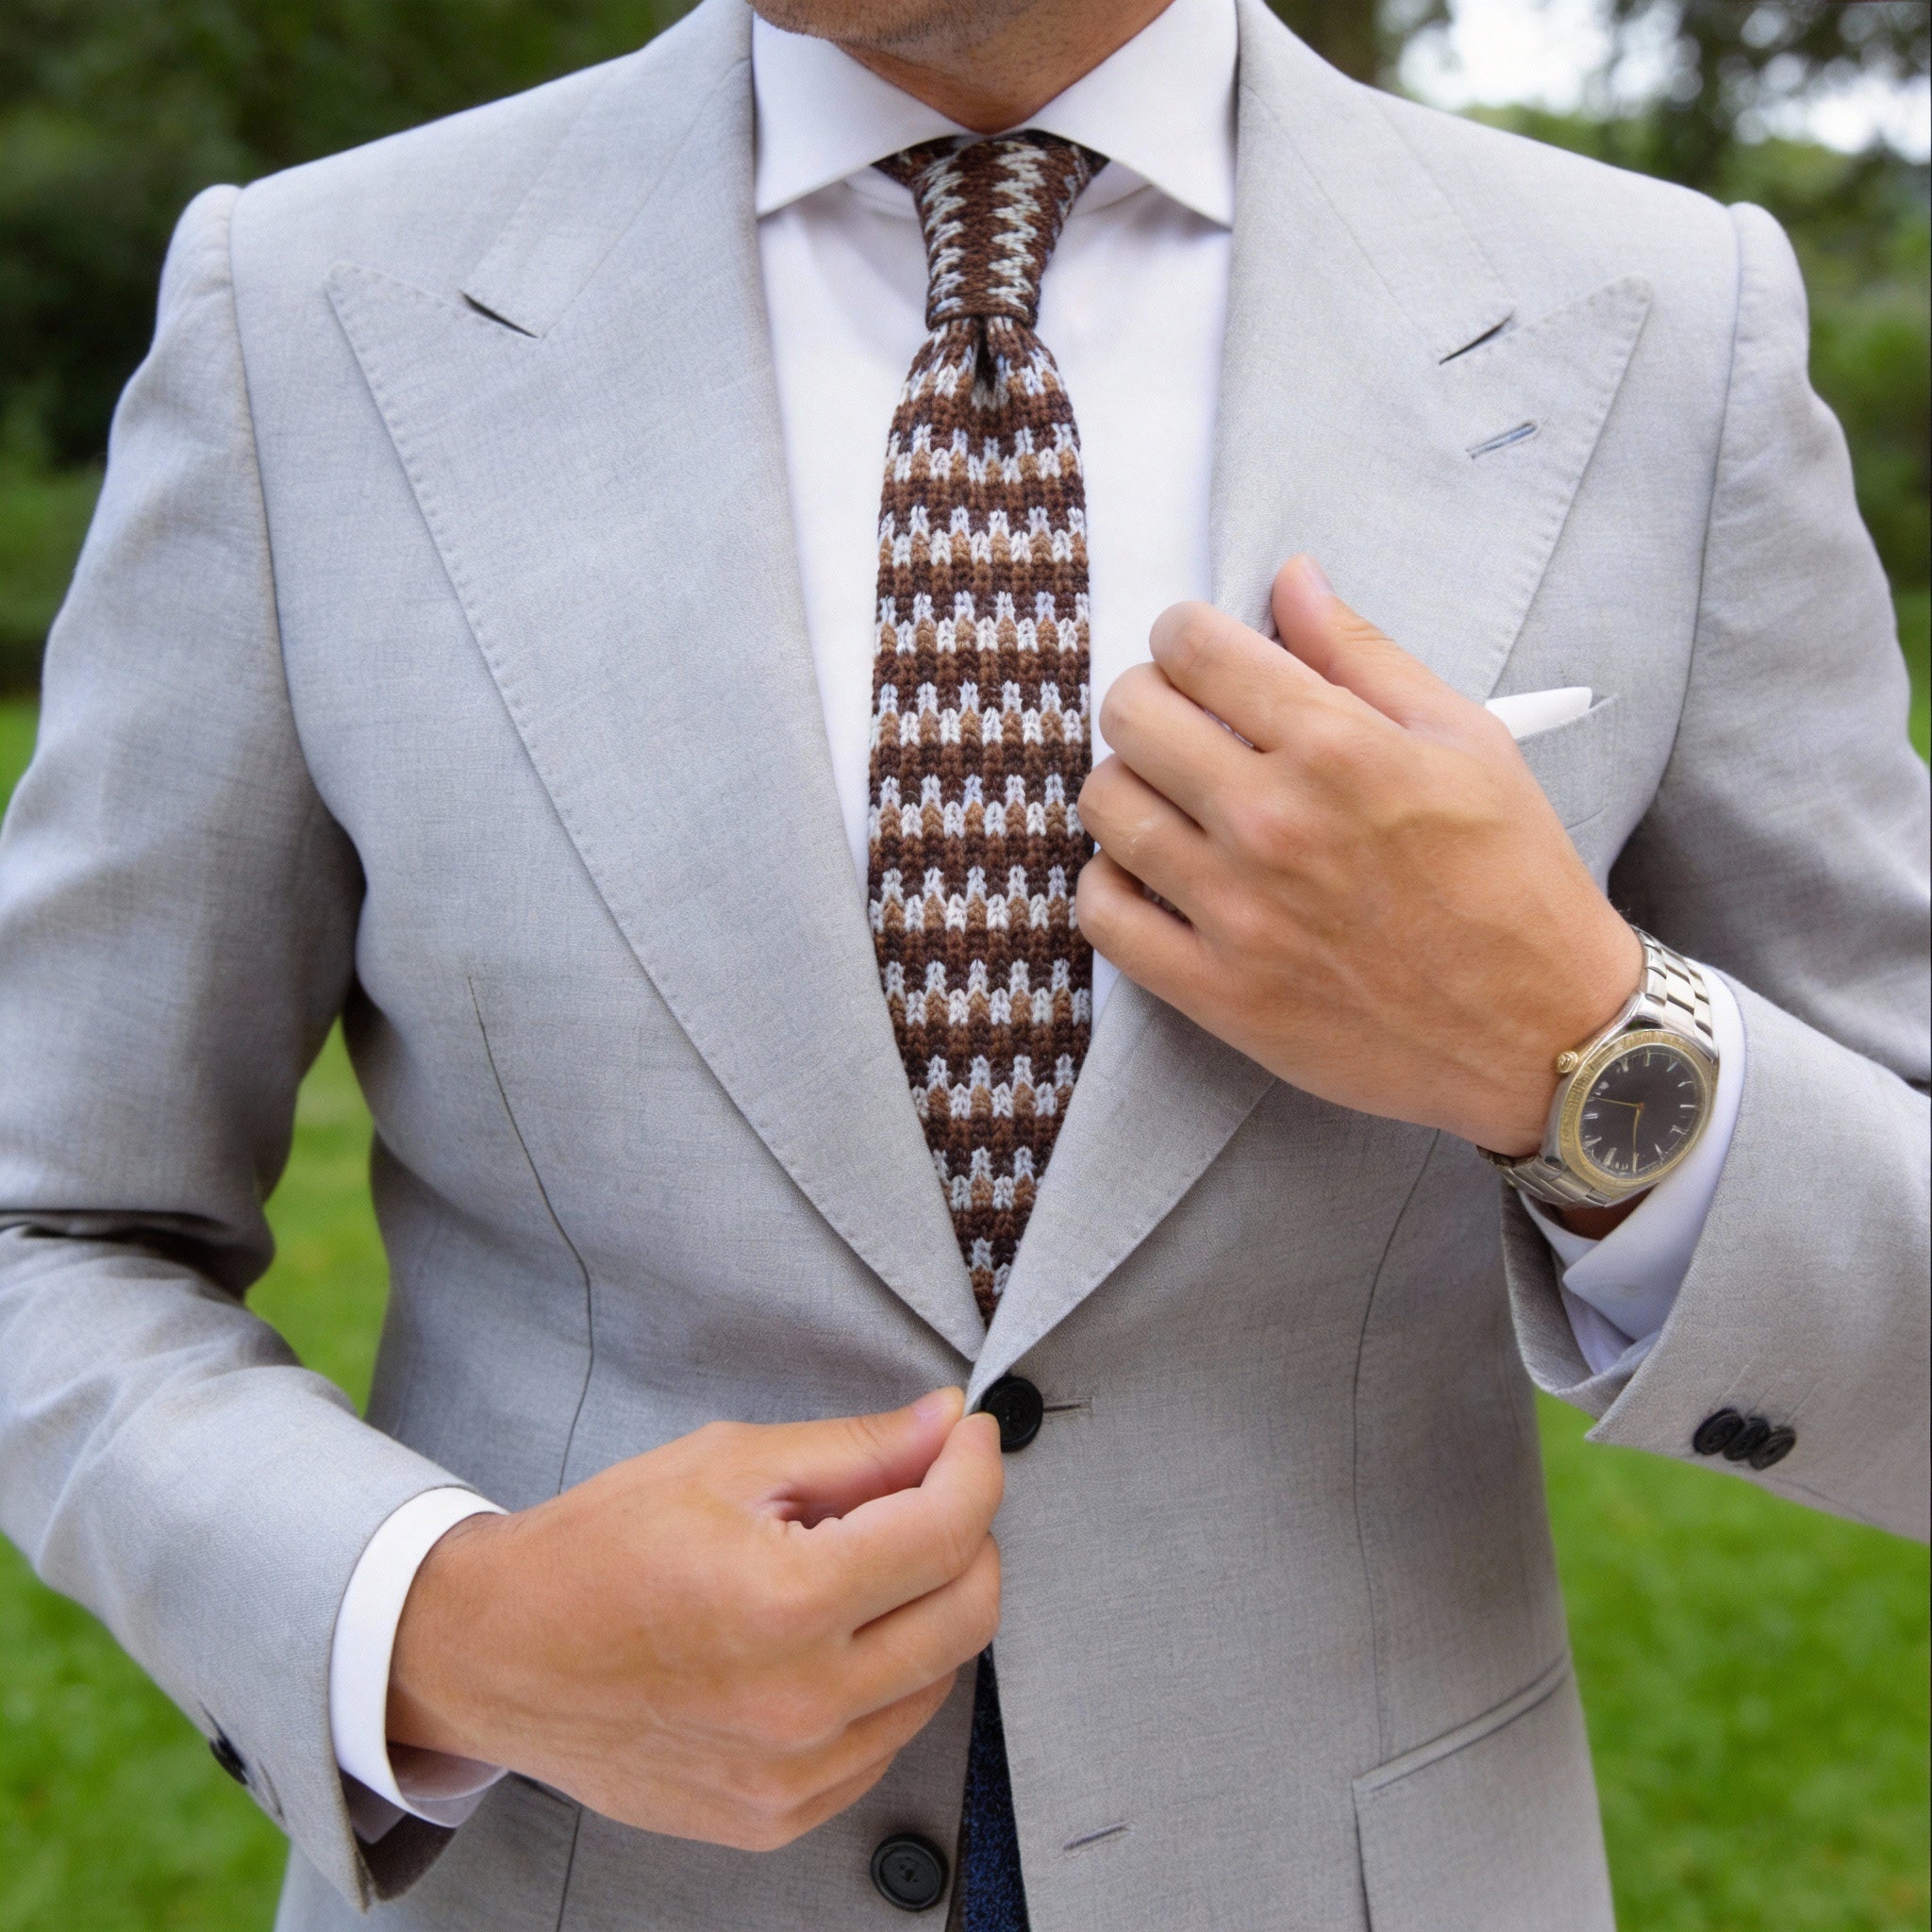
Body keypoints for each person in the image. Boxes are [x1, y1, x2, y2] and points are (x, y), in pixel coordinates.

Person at [0, 0, 1924, 1924]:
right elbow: (49, 1227)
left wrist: (1573, 1048)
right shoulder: (309, 307)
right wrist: (445, 1625)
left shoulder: (1661, 322)